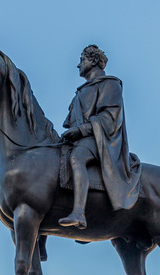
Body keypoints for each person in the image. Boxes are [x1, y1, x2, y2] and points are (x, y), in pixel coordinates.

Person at [60, 45, 141, 229]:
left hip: (100, 140)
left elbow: (109, 118)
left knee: (77, 158)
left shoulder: (110, 84)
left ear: (94, 60)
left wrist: (81, 130)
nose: (78, 65)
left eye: (82, 60)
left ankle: (79, 213)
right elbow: (70, 123)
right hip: (81, 139)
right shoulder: (79, 93)